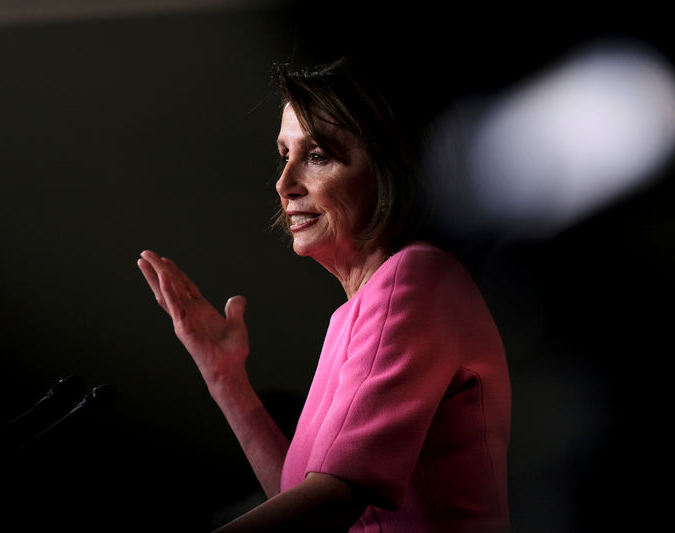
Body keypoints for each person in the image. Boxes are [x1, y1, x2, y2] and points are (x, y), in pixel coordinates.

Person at [137, 57, 511, 532]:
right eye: (284, 155)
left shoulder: (415, 279)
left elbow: (328, 504)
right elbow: (305, 504)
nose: (284, 183)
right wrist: (225, 378)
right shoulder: (355, 313)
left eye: (317, 156)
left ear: (388, 168)